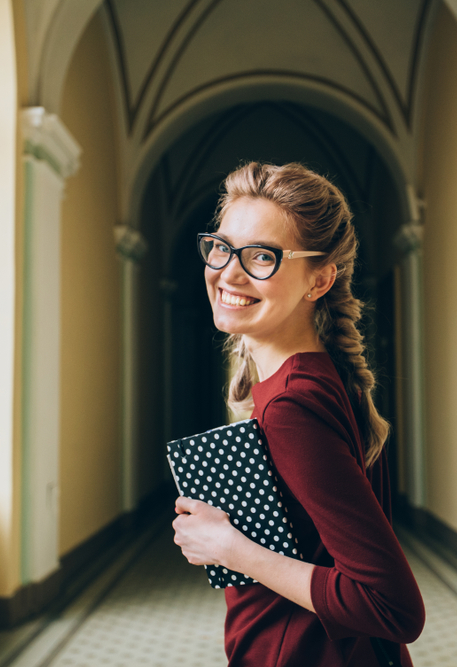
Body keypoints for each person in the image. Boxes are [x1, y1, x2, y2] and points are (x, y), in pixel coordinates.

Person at [172, 162, 425, 666]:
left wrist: (231, 548)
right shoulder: (312, 377)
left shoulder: (292, 405)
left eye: (261, 256)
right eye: (221, 247)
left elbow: (393, 605)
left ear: (320, 280)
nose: (228, 272)